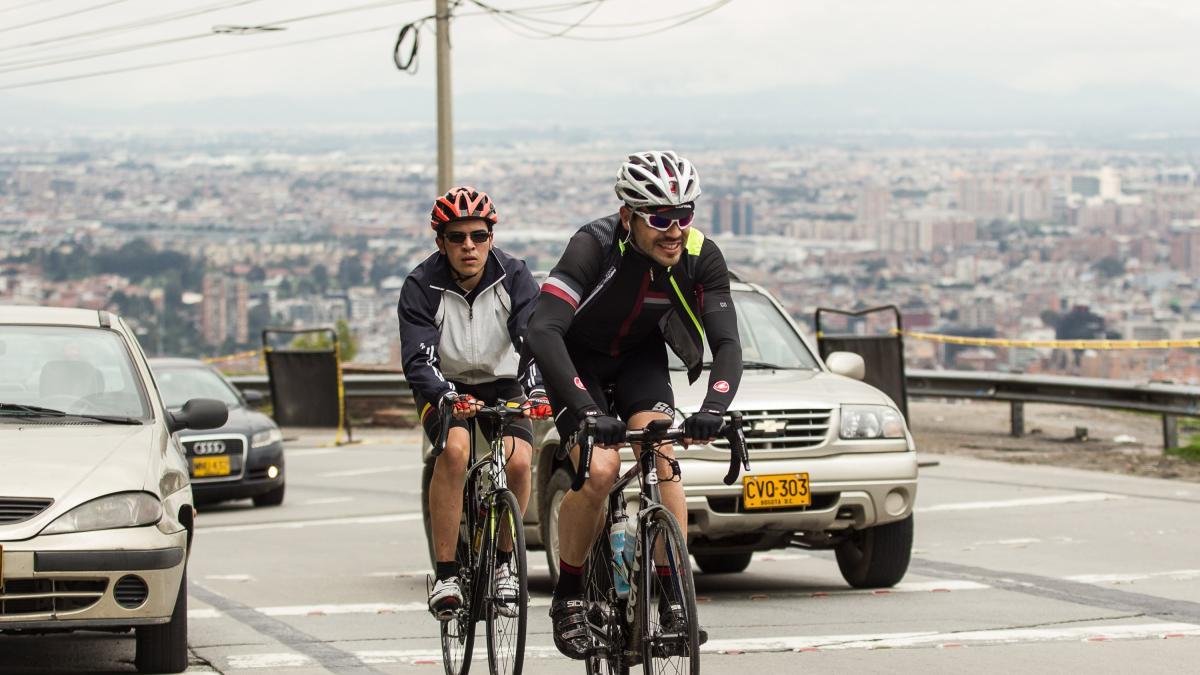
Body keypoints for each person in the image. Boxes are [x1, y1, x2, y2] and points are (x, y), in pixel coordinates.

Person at [525, 151, 743, 659]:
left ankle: (671, 594)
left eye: (684, 215)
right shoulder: (593, 245)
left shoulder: (699, 254)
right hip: (577, 362)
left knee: (663, 459)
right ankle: (570, 594)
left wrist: (714, 406)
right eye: (660, 217)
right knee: (600, 472)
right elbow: (543, 329)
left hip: (638, 360)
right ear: (628, 216)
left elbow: (728, 345)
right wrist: (583, 410)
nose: (674, 230)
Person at [398, 186, 552, 620]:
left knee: (519, 462)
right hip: (444, 385)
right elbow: (417, 358)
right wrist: (446, 396)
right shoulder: (420, 285)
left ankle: (504, 563)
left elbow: (532, 340)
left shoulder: (515, 276)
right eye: (458, 237)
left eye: (479, 236)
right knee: (455, 452)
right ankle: (447, 573)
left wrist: (538, 390)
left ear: (491, 237)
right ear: (440, 242)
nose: (469, 246)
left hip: (502, 382)